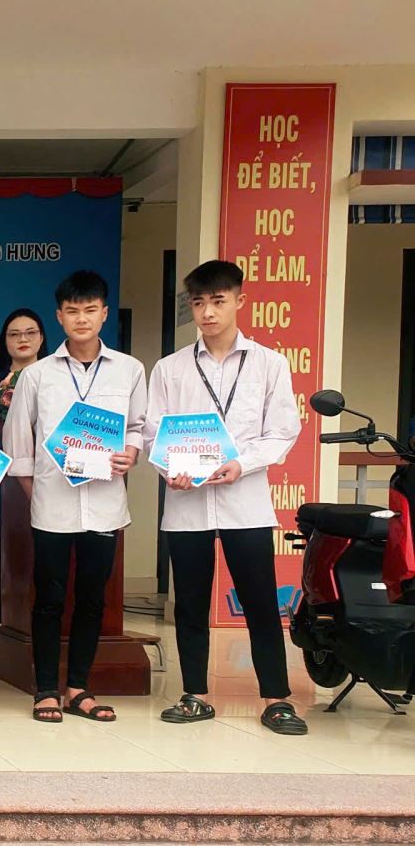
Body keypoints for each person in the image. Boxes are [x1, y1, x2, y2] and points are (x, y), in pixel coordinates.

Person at [146, 260, 306, 735]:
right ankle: (195, 695)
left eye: (218, 301)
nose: (208, 313)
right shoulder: (171, 368)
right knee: (190, 605)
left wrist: (243, 463)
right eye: (199, 303)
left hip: (245, 501)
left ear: (240, 300)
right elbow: (154, 431)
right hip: (187, 504)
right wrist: (169, 469)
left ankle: (277, 699)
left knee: (260, 602)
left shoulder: (268, 364)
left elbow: (283, 430)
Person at [4, 271, 145, 724]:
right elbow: (17, 443)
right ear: (59, 317)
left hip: (104, 504)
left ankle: (79, 688)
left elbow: (139, 427)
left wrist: (131, 452)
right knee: (48, 598)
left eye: (90, 310)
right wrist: (37, 493)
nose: (81, 318)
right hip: (52, 506)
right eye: (72, 311)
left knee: (92, 599)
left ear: (104, 314)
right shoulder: (38, 375)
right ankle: (46, 689)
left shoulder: (129, 369)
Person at [0, 307, 50, 622]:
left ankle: (41, 608)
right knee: (1, 541)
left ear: (42, 337)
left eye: (30, 332)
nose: (23, 339)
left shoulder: (55, 378)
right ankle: (2, 611)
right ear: (4, 341)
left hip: (44, 470)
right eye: (14, 334)